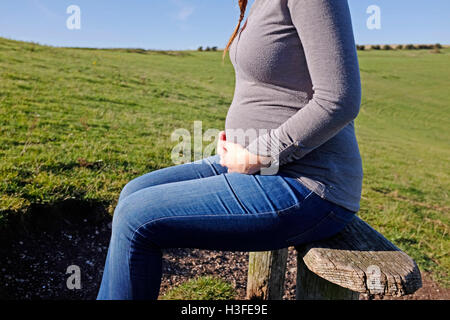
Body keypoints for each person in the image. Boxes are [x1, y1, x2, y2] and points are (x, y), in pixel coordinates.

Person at [97, 0, 363, 300]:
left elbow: (339, 100)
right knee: (133, 191)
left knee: (136, 217)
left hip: (307, 183)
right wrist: (241, 141)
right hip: (255, 165)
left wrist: (258, 154)